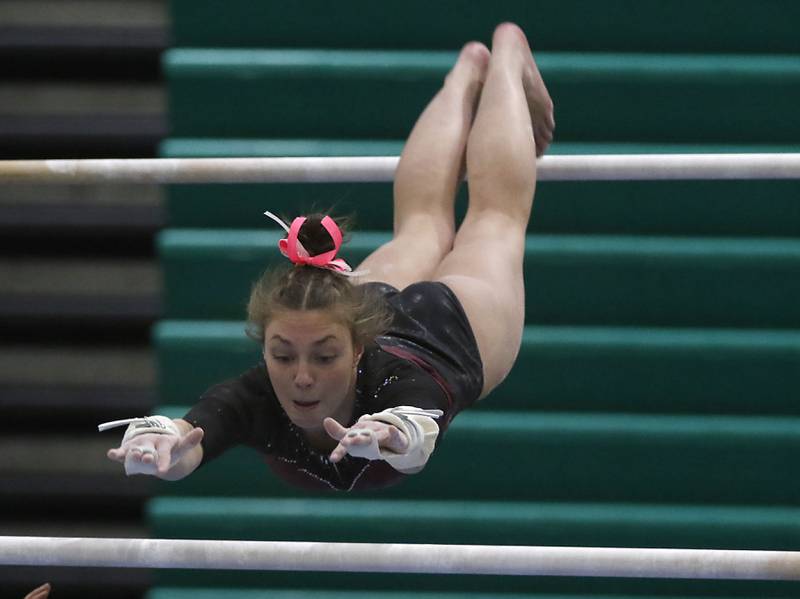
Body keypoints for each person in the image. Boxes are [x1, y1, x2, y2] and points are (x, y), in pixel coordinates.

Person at [103, 23, 555, 491]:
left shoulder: (399, 384)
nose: (301, 377)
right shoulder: (255, 396)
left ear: (358, 348)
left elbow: (416, 437)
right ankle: (464, 75)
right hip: (374, 302)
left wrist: (394, 433)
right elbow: (190, 442)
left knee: (493, 218)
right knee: (423, 223)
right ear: (265, 349)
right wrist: (164, 445)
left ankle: (506, 55)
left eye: (324, 356)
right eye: (282, 355)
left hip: (448, 331)